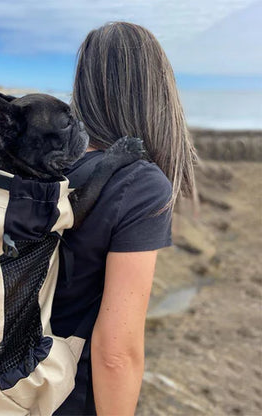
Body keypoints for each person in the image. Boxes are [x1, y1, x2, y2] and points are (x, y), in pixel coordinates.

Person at [51, 22, 198, 415]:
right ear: (155, 90)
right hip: (68, 397)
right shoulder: (138, 183)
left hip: (8, 389)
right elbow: (116, 352)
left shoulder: (47, 166)